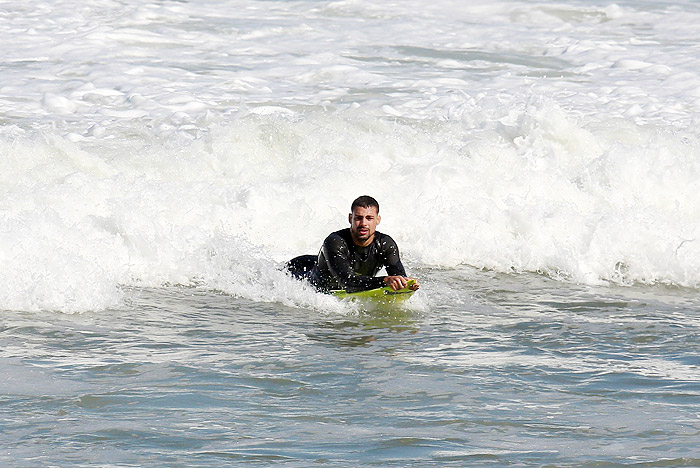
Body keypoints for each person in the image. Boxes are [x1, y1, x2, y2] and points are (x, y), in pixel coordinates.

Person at [286, 196, 420, 293]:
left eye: (369, 218)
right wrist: (384, 281)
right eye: (358, 218)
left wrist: (406, 283)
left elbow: (399, 276)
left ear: (377, 220)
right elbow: (347, 283)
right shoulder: (334, 242)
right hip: (302, 274)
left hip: (337, 265)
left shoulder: (385, 244)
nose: (363, 224)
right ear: (351, 218)